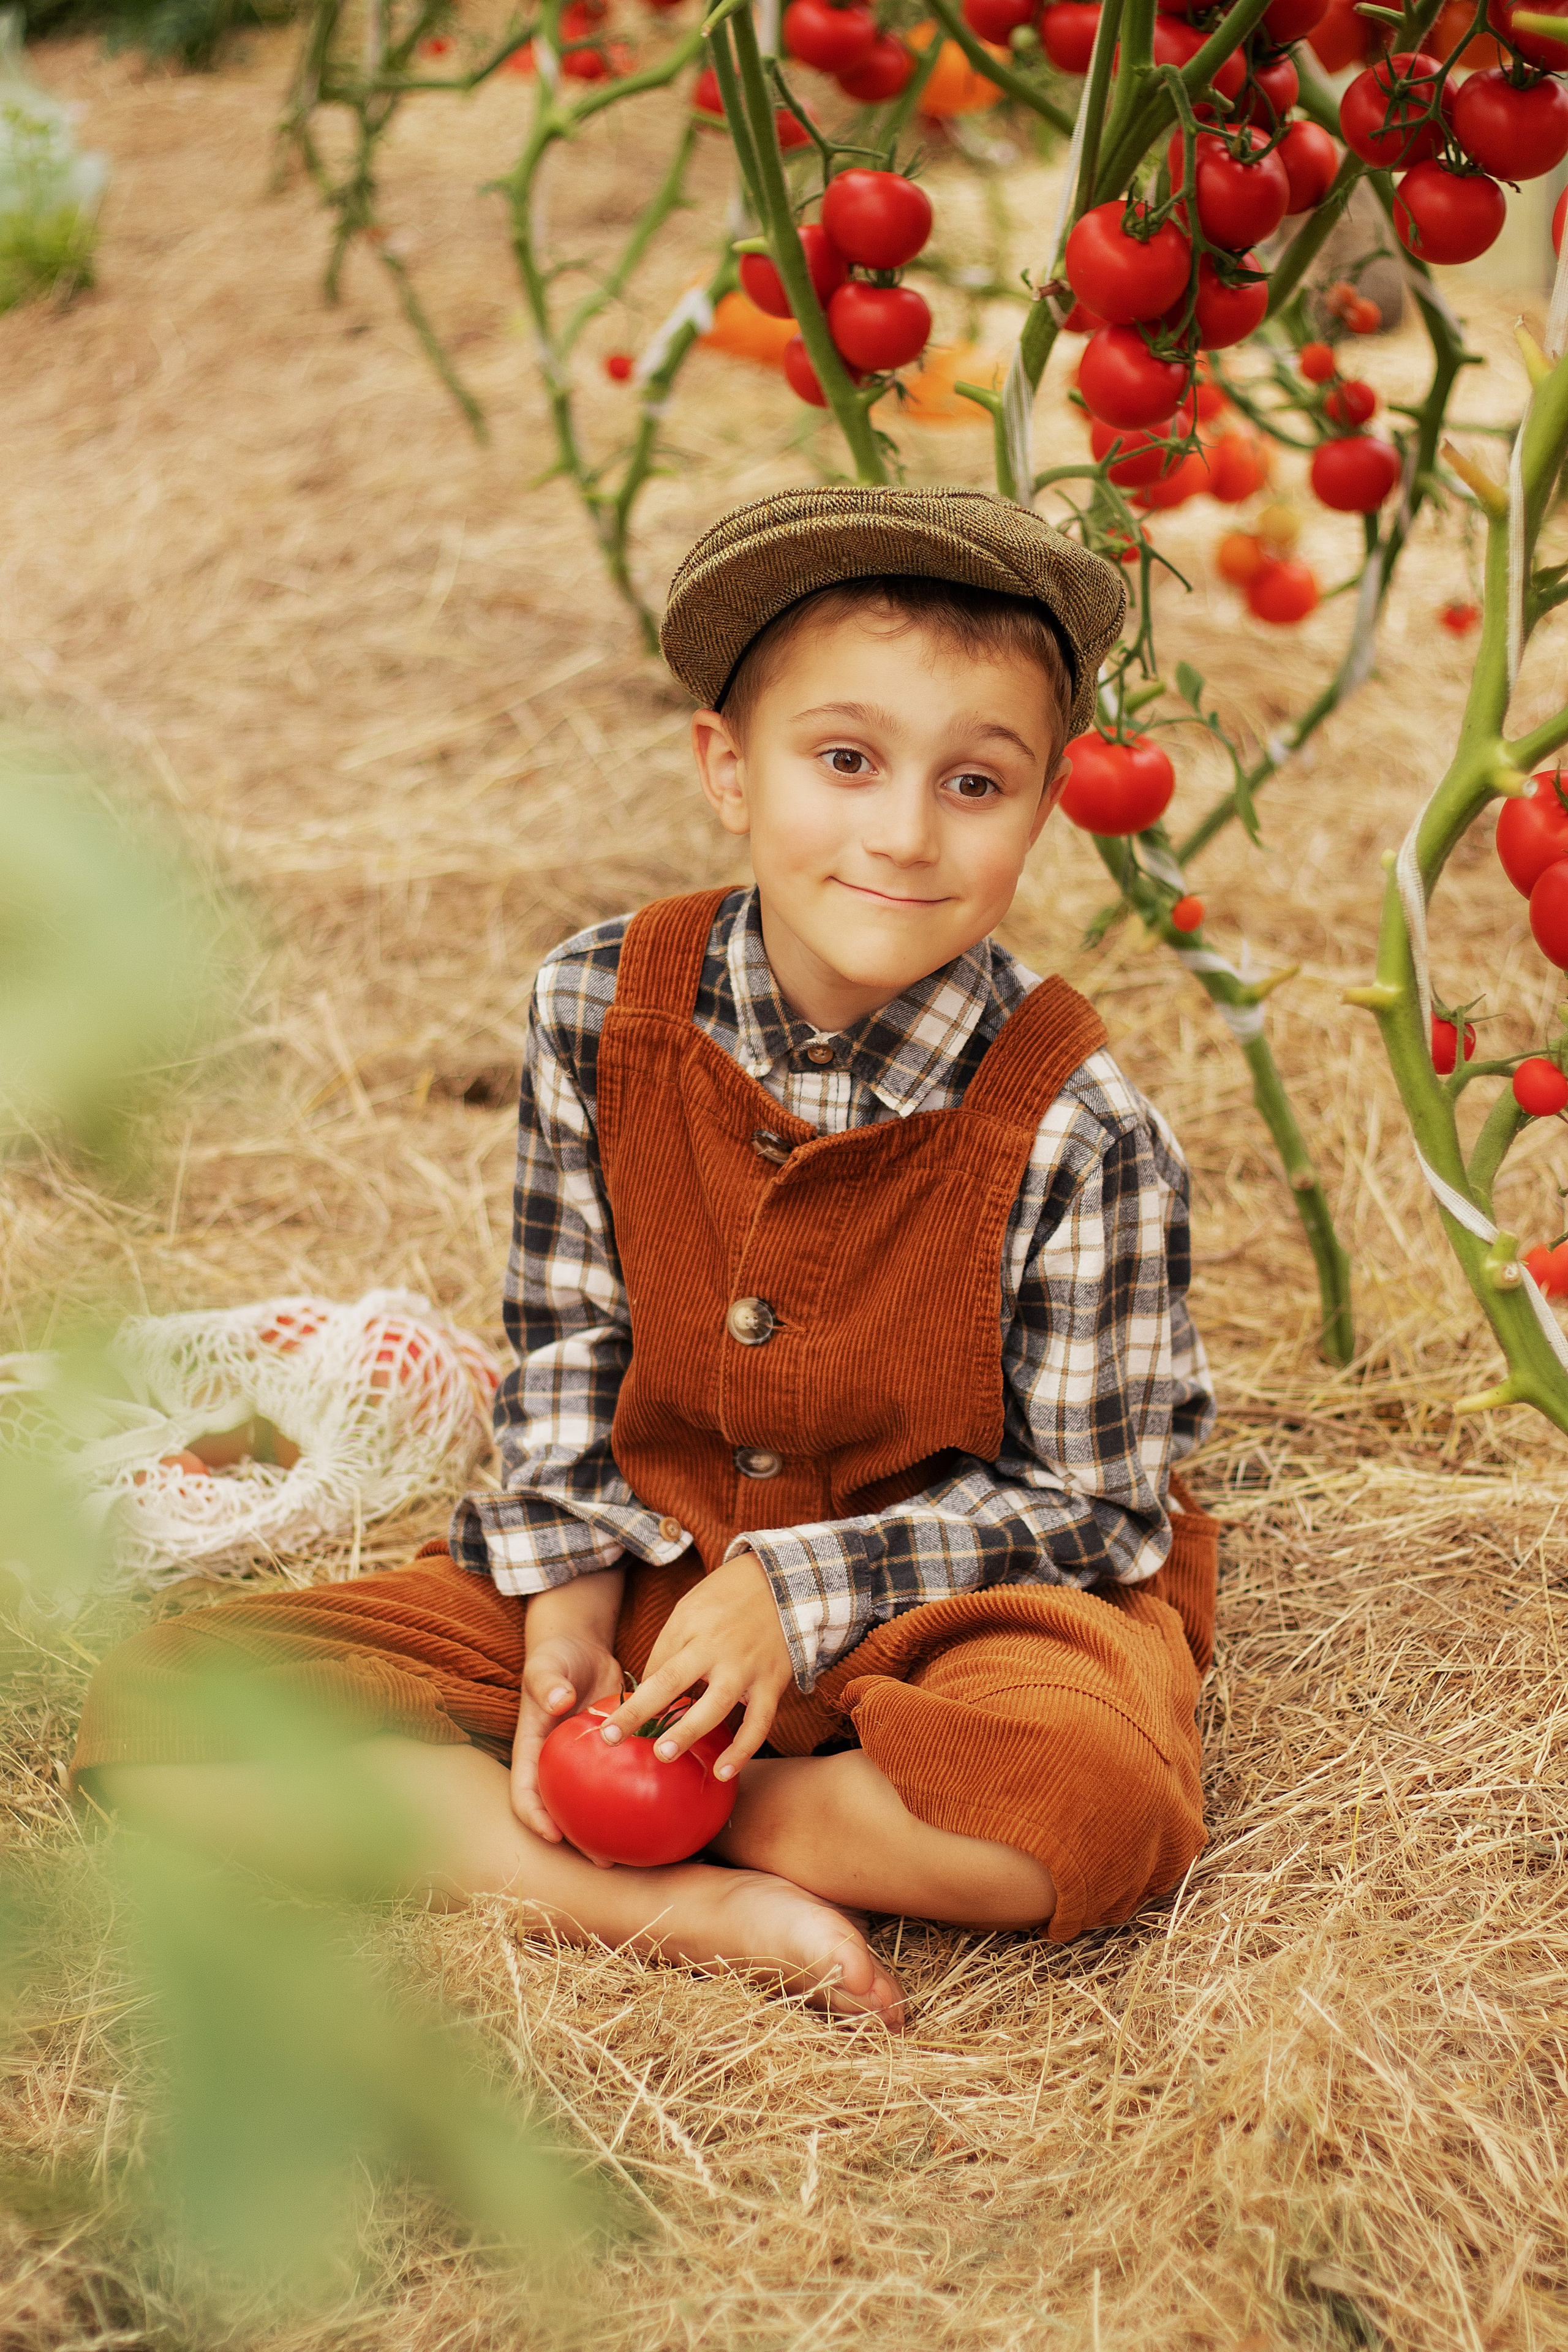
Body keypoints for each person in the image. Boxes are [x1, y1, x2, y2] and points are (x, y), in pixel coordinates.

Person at [71, 486, 1218, 2032]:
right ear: (724, 767)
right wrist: (562, 1609)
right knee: (162, 1717)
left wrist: (793, 1591)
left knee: (1085, 1807)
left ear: (1043, 805)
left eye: (972, 782)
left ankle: (730, 1811)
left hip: (952, 1596)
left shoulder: (1078, 1127)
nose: (902, 831)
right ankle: (674, 1897)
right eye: (844, 760)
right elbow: (572, 1342)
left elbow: (1089, 1505)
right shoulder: (601, 1004)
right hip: (656, 1553)